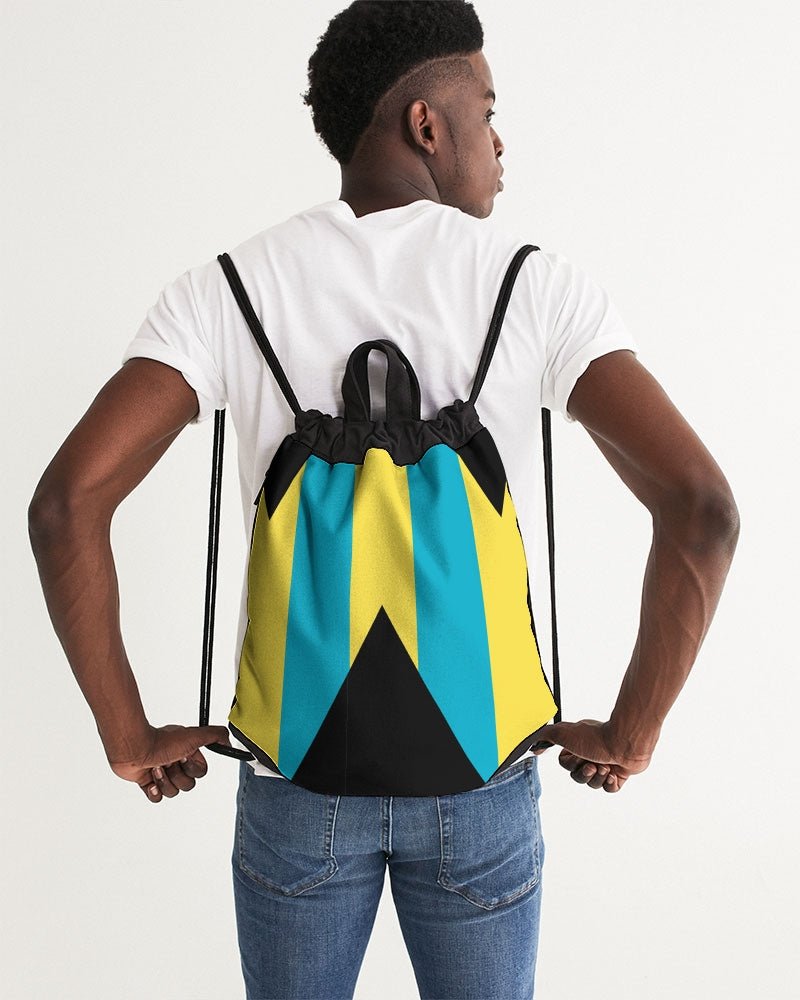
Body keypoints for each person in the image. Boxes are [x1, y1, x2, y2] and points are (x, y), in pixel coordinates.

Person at [27, 2, 740, 998]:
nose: (500, 141)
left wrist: (127, 734)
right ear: (424, 124)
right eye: (487, 110)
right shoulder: (534, 288)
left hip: (297, 781)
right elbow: (703, 509)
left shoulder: (227, 288)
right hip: (482, 778)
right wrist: (631, 730)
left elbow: (65, 505)